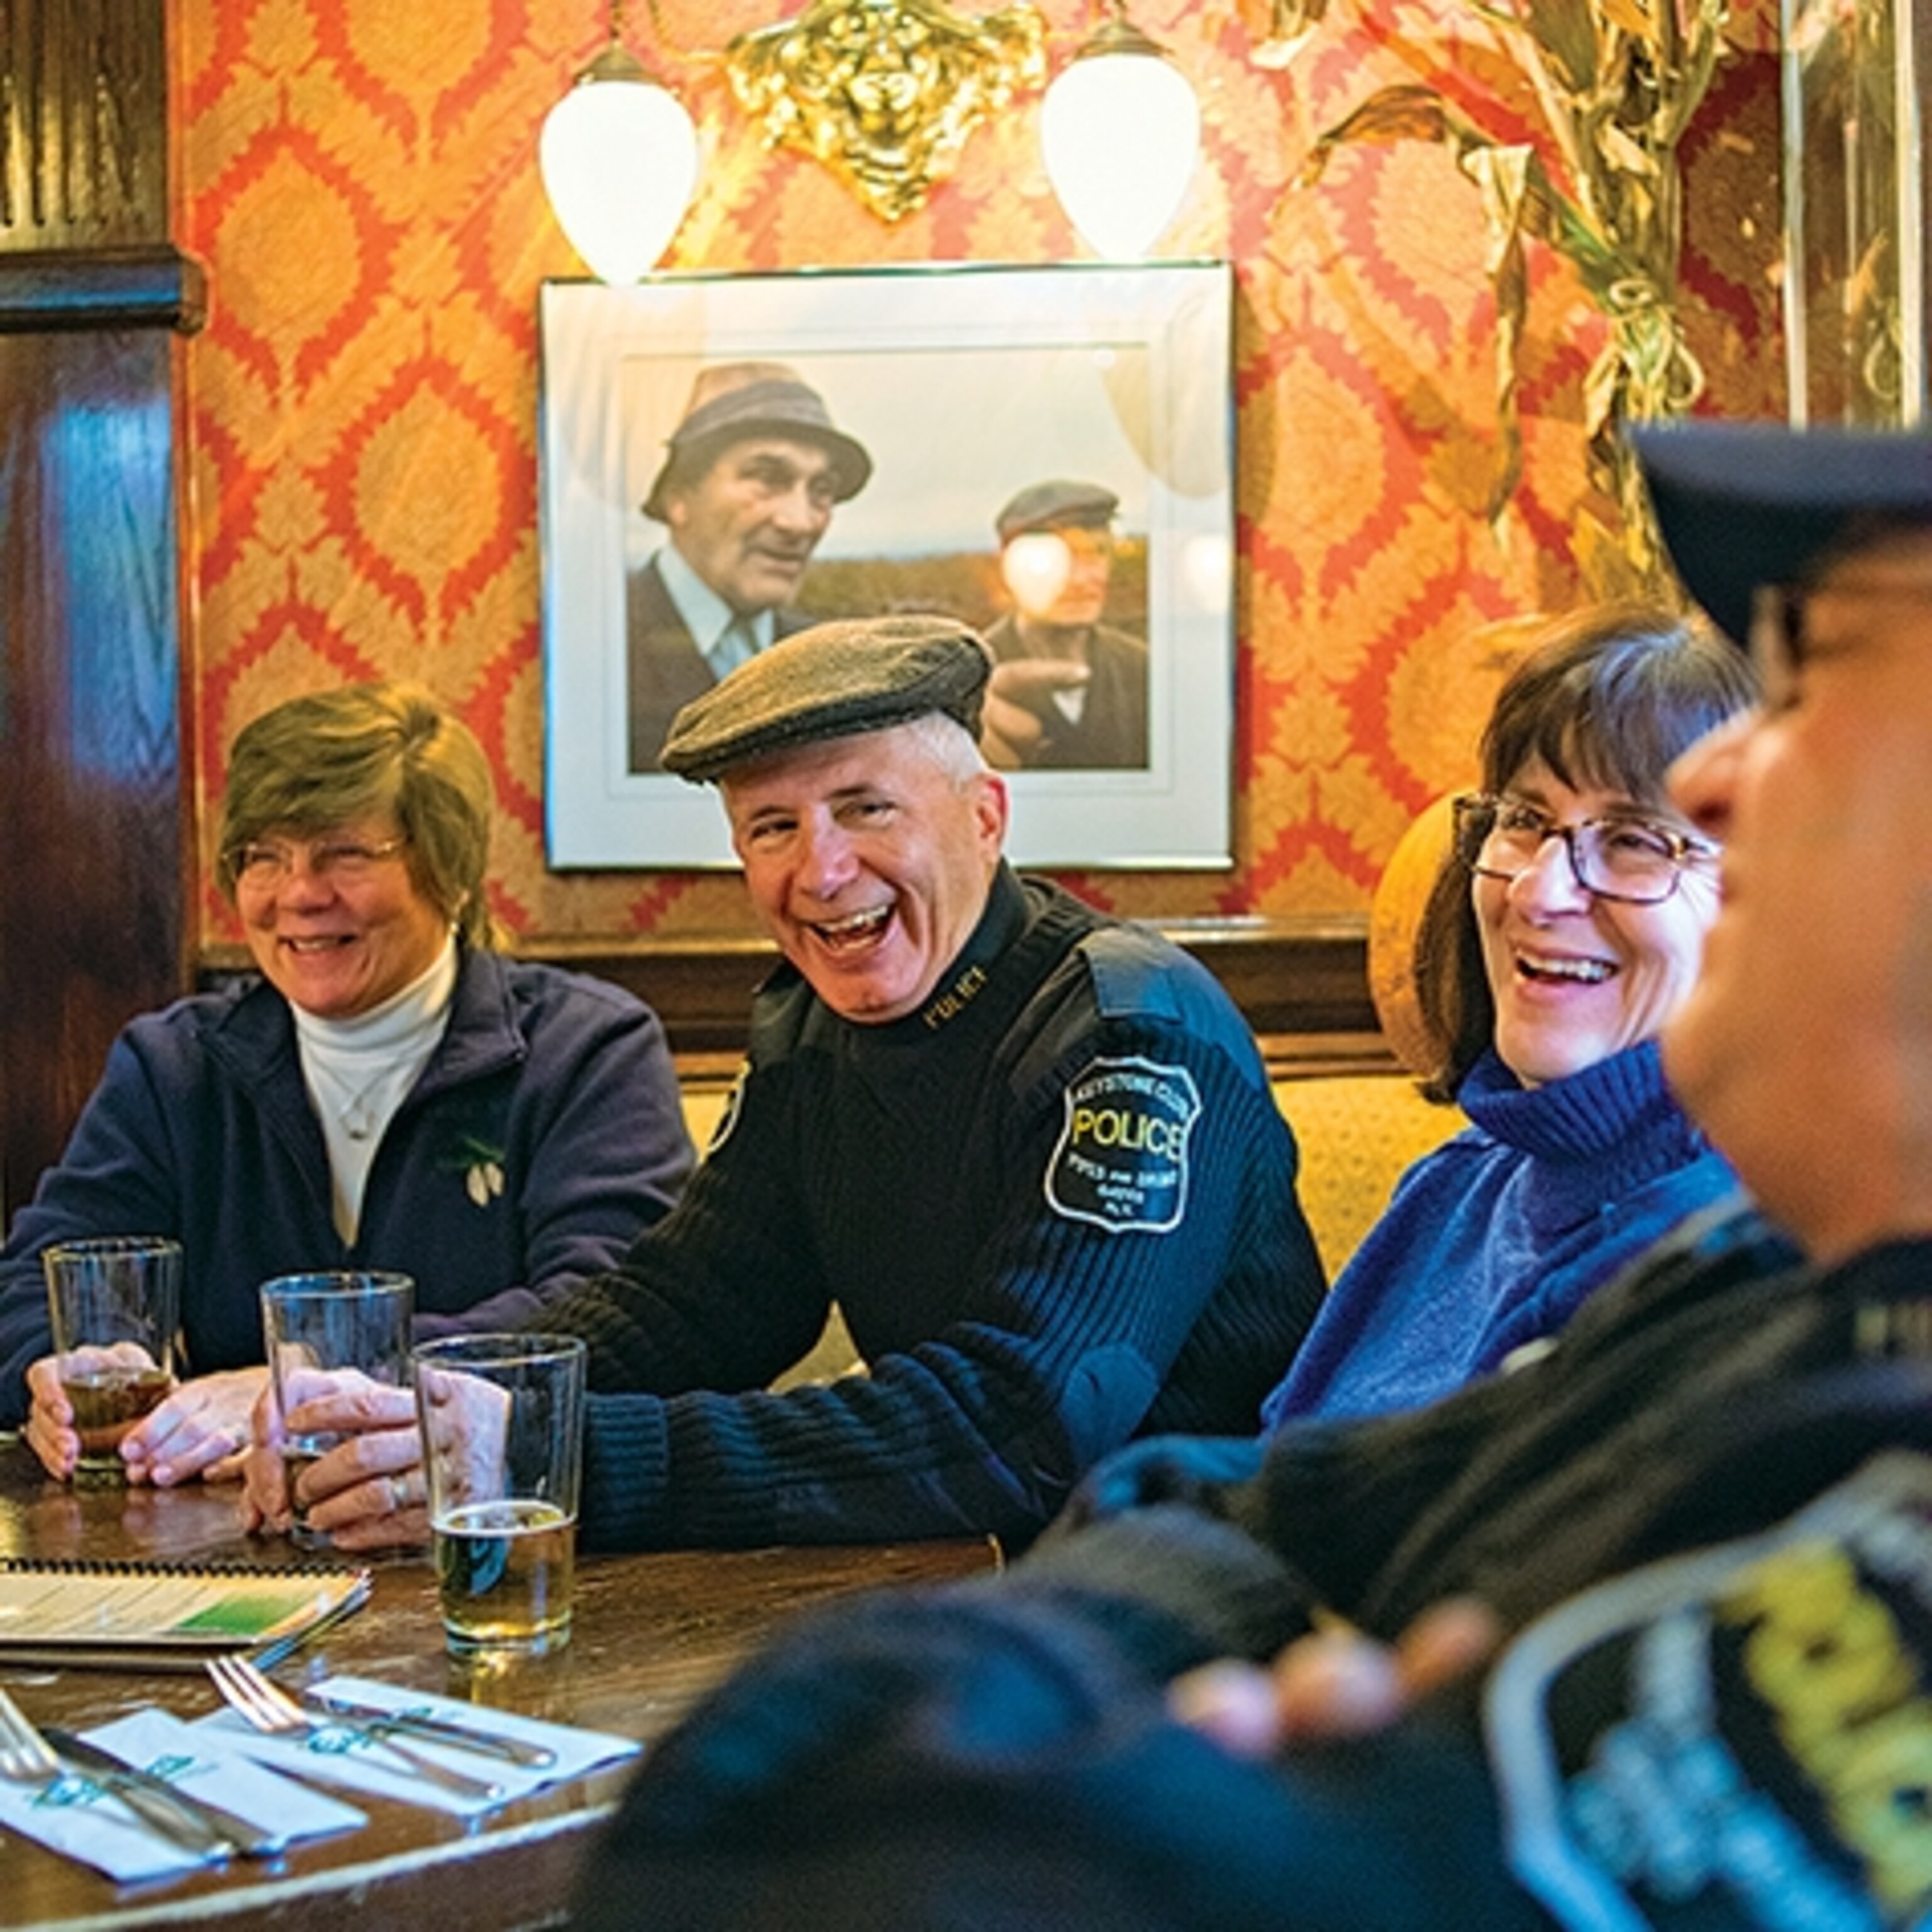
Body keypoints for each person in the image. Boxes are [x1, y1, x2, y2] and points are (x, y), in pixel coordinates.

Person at [565, 421, 1932, 1932]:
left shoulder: (1125, 1013)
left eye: (1816, 679)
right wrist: (471, 1409)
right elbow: (1229, 1501)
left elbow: (854, 1807)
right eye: (1527, 823)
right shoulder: (1646, 1255)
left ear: (981, 815)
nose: (1729, 778)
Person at [250, 614, 1327, 1553]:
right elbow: (696, 1301)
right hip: (971, 1578)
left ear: (985, 817)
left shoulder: (1129, 1031)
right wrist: (405, 1389)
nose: (819, 871)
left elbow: (1020, 1425)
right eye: (772, 828)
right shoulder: (809, 1027)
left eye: (864, 809)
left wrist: (542, 1446)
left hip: (1208, 1590)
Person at [0, 682, 694, 1487]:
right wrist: (53, 1366)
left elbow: (613, 1310)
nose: (298, 893)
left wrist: (314, 1383)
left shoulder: (586, 1050)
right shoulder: (174, 1065)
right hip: (222, 1537)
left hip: (473, 1521)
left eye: (345, 854)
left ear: (452, 872)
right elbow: (32, 1281)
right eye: (264, 856)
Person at [1262, 604, 1756, 1424]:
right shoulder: (1460, 1180)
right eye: (1525, 822)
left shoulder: (1712, 1266)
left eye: (1635, 839)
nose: (1539, 891)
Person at [628, 362, 873, 772]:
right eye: (766, 477)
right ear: (679, 496)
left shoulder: (824, 659)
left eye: (822, 489)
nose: (800, 522)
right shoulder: (601, 645)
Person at [978, 479, 1151, 770]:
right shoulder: (972, 680)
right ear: (1006, 567)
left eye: (1097, 551)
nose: (1082, 578)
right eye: (1053, 558)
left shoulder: (1143, 670)